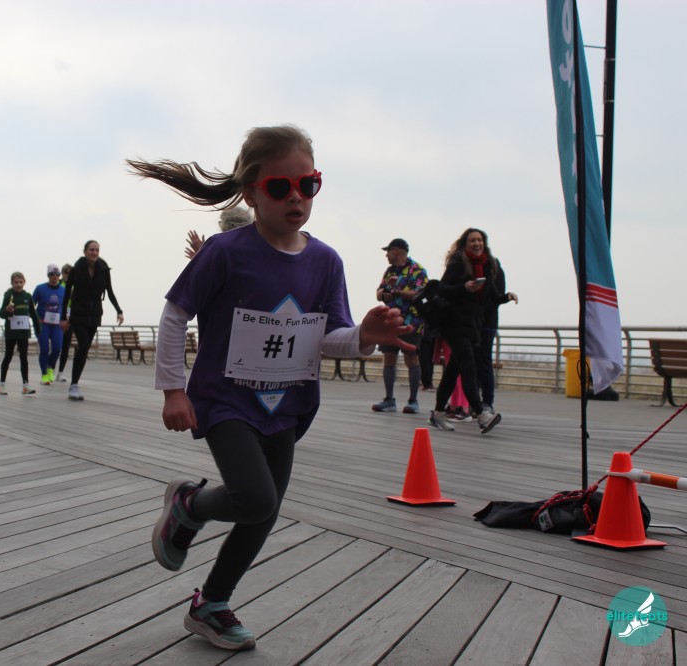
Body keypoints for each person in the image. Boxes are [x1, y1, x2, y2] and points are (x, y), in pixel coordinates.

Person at [127, 125, 411, 651]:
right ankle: (190, 504)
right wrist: (172, 389)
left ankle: (211, 604)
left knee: (265, 511)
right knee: (255, 498)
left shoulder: (326, 262)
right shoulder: (225, 252)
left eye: (309, 184)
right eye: (281, 187)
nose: (296, 198)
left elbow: (329, 336)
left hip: (288, 403)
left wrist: (365, 337)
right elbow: (176, 313)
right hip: (224, 400)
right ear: (251, 193)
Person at [428, 228, 505, 434]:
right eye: (473, 240)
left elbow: (493, 295)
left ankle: (438, 413)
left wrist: (506, 297)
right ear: (465, 244)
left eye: (480, 240)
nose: (477, 244)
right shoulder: (458, 262)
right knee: (469, 368)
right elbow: (443, 288)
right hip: (454, 324)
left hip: (472, 326)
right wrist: (464, 287)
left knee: (452, 372)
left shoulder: (487, 264)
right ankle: (481, 414)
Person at [60, 242, 124, 401]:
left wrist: (119, 310)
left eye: (97, 250)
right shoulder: (76, 269)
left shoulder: (103, 269)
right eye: (91, 250)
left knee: (85, 348)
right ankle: (74, 385)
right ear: (85, 251)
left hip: (95, 314)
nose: (94, 253)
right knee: (83, 345)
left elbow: (110, 291)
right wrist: (63, 317)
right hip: (78, 313)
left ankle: (74, 383)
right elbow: (67, 294)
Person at [371, 238, 428, 414]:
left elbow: (418, 293)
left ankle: (413, 401)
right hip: (390, 320)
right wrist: (386, 291)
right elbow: (379, 293)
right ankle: (389, 399)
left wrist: (397, 291)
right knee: (389, 357)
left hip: (412, 321)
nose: (386, 256)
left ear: (396, 251)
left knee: (412, 358)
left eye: (388, 251)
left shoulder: (417, 270)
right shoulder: (389, 271)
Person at [475, 258, 519, 410]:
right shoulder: (473, 267)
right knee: (474, 362)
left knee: (483, 362)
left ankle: (487, 401)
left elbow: (496, 298)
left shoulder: (494, 268)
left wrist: (506, 297)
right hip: (475, 323)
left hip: (486, 323)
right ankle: (475, 401)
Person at [0, 272, 41, 396]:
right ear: (12, 283)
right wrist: (7, 310)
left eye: (21, 282)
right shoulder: (8, 296)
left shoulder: (27, 296)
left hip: (23, 332)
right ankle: (2, 384)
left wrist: (38, 329)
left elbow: (33, 314)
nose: (18, 285)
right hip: (11, 332)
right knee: (8, 356)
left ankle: (25, 385)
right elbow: (1, 314)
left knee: (24, 357)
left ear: (24, 282)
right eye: (16, 282)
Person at [32, 264, 66, 384]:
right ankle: (44, 374)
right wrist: (33, 318)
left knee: (57, 348)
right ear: (48, 275)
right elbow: (31, 304)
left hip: (56, 324)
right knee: (45, 349)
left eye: (57, 274)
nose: (55, 277)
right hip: (42, 323)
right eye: (52, 274)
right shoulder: (40, 288)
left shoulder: (63, 290)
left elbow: (67, 306)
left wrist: (67, 317)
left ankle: (50, 367)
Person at [184, 206, 253, 259]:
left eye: (221, 222)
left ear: (227, 224)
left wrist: (202, 254)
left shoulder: (220, 244)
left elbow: (215, 270)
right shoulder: (254, 244)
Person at [54, 263, 73, 383]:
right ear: (62, 273)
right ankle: (50, 369)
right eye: (66, 273)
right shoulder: (58, 284)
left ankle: (60, 373)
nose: (68, 275)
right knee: (56, 346)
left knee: (66, 346)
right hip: (58, 316)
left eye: (70, 273)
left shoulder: (76, 285)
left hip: (70, 318)